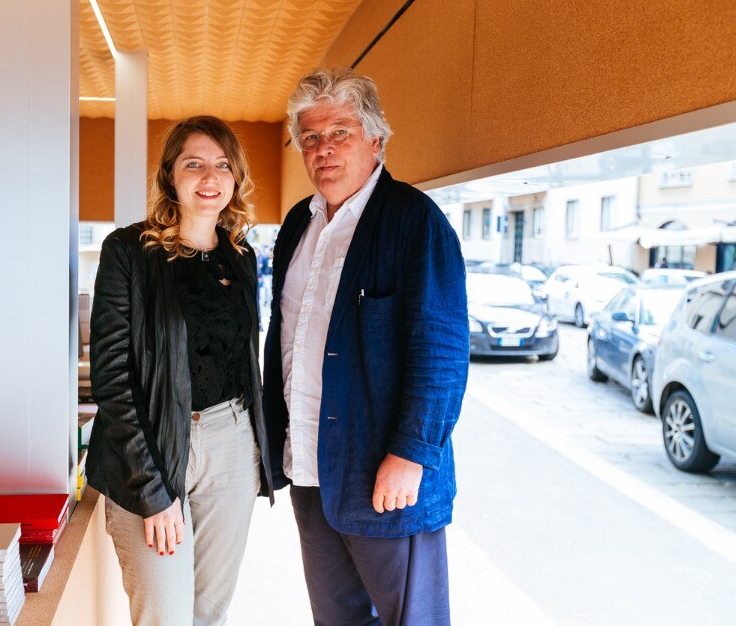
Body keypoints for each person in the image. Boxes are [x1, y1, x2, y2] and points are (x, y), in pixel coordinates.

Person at [263, 69, 469, 625]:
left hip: (386, 476)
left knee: (412, 619)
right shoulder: (294, 229)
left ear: (375, 140)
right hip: (309, 468)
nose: (323, 149)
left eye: (340, 133)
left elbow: (443, 353)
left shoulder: (413, 220)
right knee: (338, 620)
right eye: (310, 137)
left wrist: (411, 454)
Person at [85, 116, 273, 626]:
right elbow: (111, 377)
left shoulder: (240, 255)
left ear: (235, 178)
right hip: (151, 448)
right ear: (171, 174)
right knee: (166, 617)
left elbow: (244, 362)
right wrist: (152, 489)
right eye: (194, 163)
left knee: (208, 614)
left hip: (231, 445)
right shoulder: (129, 251)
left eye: (221, 165)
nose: (209, 176)